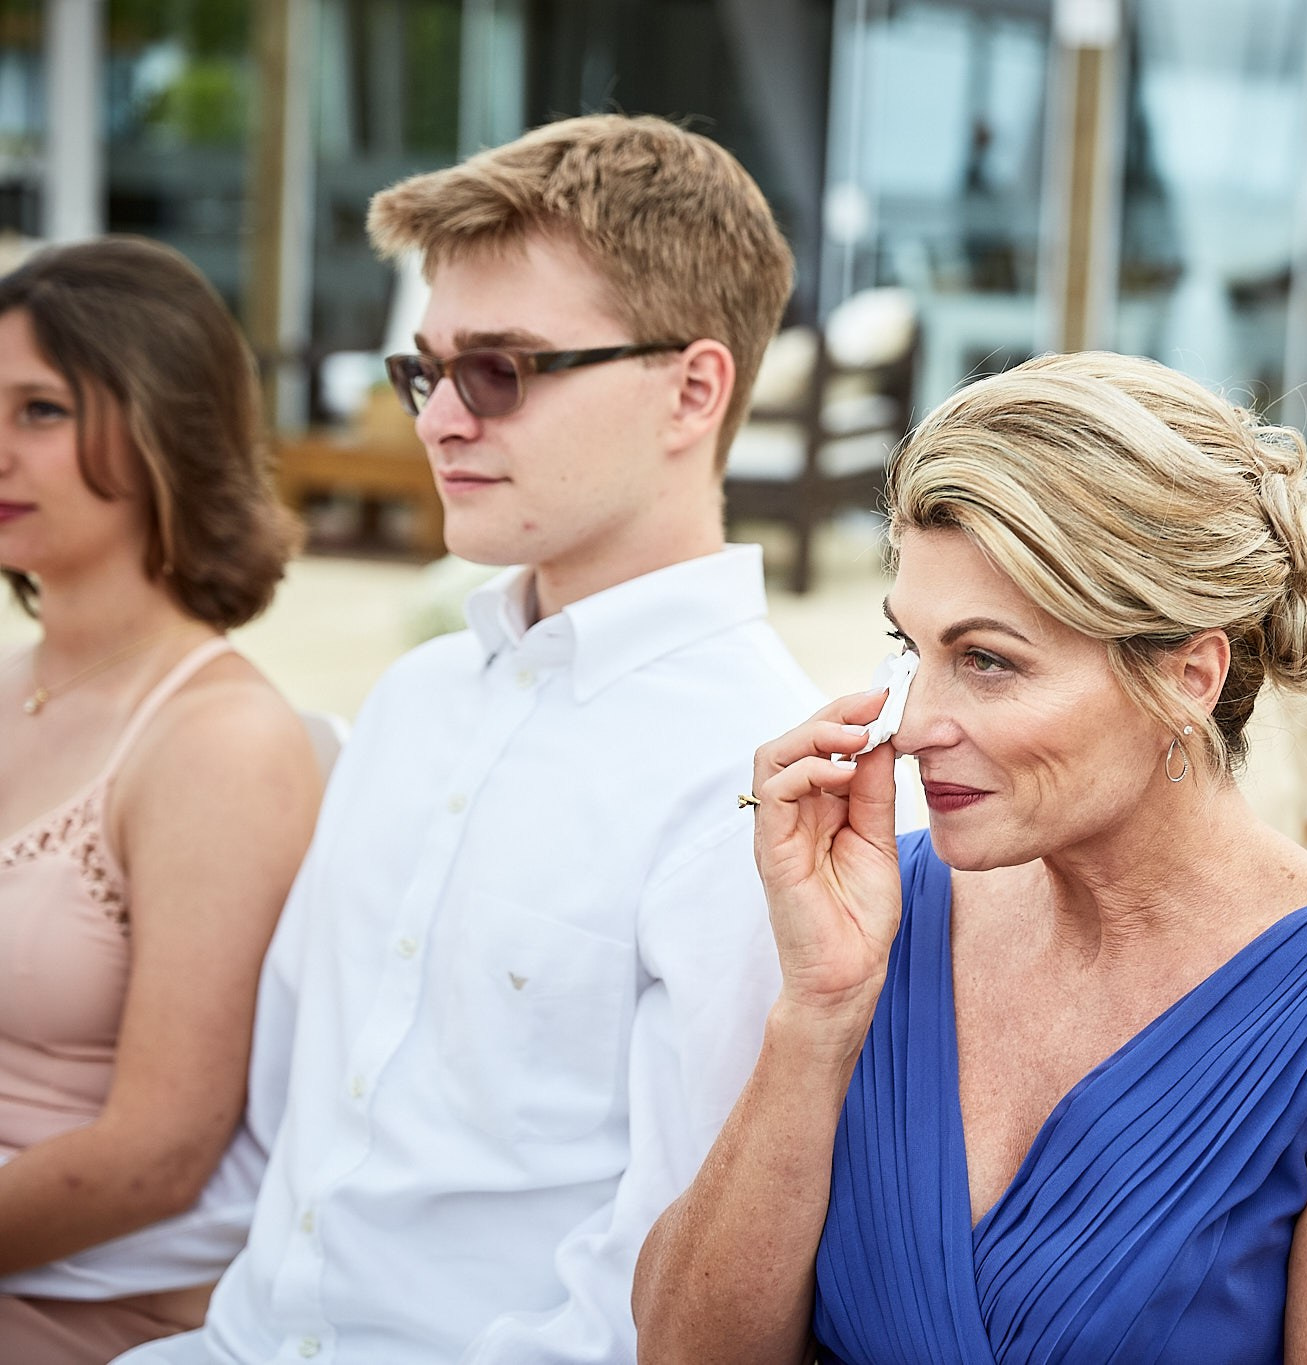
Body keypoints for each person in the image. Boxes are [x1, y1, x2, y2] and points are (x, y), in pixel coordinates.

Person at [635, 351, 1307, 1363]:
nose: (915, 724)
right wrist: (817, 1017)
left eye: (987, 662)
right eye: (910, 650)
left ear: (1187, 677)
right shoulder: (886, 918)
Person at [119, 114, 819, 1365]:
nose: (440, 419)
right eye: (424, 372)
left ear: (692, 389)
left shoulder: (766, 779)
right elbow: (281, 1133)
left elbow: (649, 1297)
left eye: (498, 371)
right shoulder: (415, 700)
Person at [0, 238, 322, 1361]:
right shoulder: (9, 687)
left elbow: (158, 1153)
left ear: (160, 430)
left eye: (38, 411)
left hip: (76, 1300)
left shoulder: (219, 743)